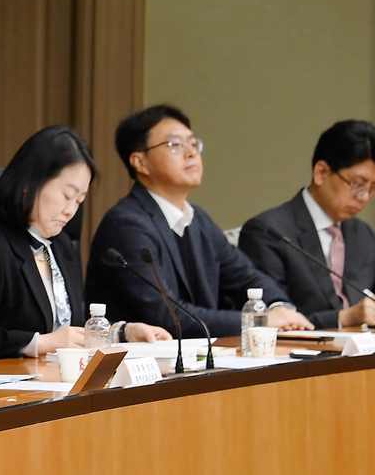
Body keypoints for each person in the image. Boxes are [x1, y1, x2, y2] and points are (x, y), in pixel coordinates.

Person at [83, 105, 314, 338]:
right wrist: (260, 322)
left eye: (193, 143)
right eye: (175, 145)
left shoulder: (199, 220)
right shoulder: (127, 225)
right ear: (139, 162)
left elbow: (247, 277)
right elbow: (168, 317)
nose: (191, 153)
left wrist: (279, 308)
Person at [0, 126, 171, 362]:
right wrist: (40, 343)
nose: (71, 210)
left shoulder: (60, 247)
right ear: (30, 183)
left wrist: (123, 332)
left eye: (79, 200)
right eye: (66, 195)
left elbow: (71, 331)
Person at [239, 120, 375, 329]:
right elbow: (273, 316)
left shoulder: (361, 233)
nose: (364, 197)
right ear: (321, 173)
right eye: (357, 185)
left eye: (373, 188)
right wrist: (344, 317)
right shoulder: (268, 232)